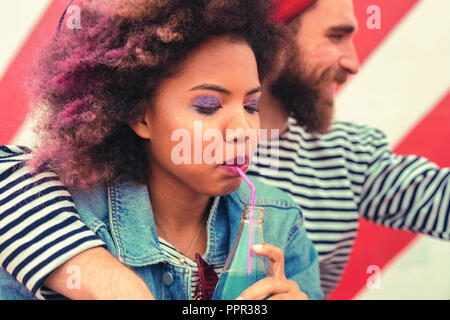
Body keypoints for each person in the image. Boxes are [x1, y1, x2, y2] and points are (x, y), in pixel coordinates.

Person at [2, 0, 448, 299]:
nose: (243, 130)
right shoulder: (64, 202)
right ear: (138, 116)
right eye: (208, 105)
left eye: (251, 105)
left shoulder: (282, 220)